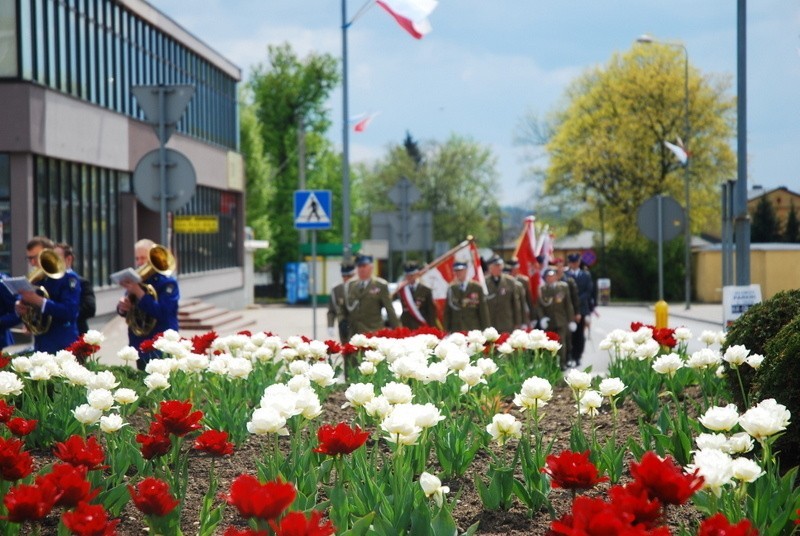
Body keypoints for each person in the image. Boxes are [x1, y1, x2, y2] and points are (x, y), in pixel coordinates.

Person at [116, 239, 180, 370]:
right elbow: (128, 307)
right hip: (139, 342)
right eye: (137, 258)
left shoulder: (168, 283)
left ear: (153, 258)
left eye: (143, 258)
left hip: (161, 344)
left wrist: (139, 293)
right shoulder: (136, 281)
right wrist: (123, 307)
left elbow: (163, 313)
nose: (139, 263)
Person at [15, 236, 81, 353]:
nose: (33, 263)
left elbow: (70, 311)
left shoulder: (68, 277)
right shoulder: (40, 278)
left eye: (35, 257)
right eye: (29, 258)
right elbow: (33, 307)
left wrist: (39, 301)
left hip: (62, 345)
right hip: (41, 343)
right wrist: (21, 306)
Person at [344, 254, 399, 337]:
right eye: (359, 266)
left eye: (364, 266)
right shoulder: (351, 285)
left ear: (371, 267)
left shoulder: (380, 285)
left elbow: (389, 310)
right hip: (354, 334)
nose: (361, 269)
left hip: (373, 333)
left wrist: (398, 331)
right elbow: (345, 308)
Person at [534, 267, 576, 370]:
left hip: (561, 320)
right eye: (548, 277)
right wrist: (542, 318)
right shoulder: (542, 289)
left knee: (562, 343)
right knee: (548, 344)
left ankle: (562, 363)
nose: (550, 278)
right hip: (549, 321)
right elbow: (539, 306)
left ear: (556, 277)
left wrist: (571, 320)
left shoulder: (563, 287)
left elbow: (568, 304)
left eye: (552, 276)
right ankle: (550, 365)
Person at [54, 242, 96, 335]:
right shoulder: (48, 283)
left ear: (68, 259)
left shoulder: (82, 282)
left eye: (57, 258)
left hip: (76, 334)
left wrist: (62, 312)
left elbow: (90, 308)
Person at [565, 253, 595, 367]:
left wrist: (577, 300)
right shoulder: (565, 275)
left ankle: (578, 356)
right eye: (571, 262)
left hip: (582, 308)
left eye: (575, 262)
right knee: (569, 334)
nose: (573, 264)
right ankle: (569, 356)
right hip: (568, 309)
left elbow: (589, 291)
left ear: (578, 262)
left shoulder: (586, 275)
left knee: (579, 334)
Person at [443, 261, 489, 332]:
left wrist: (486, 329)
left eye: (461, 270)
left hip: (473, 329)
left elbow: (483, 310)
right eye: (456, 271)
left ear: (466, 270)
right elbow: (448, 312)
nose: (458, 273)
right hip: (456, 329)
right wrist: (446, 330)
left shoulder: (476, 287)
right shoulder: (451, 288)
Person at [484, 256, 522, 333]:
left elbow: (515, 303)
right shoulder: (484, 282)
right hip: (490, 323)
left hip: (507, 322)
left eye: (500, 266)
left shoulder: (510, 281)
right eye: (496, 266)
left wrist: (518, 323)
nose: (499, 268)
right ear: (490, 268)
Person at [398, 261, 437, 329]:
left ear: (417, 274)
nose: (409, 277)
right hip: (407, 327)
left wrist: (432, 327)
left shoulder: (426, 290)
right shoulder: (402, 289)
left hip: (422, 326)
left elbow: (431, 312)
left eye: (412, 275)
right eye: (407, 275)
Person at [327, 262, 355, 342]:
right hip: (343, 326)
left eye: (349, 276)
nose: (346, 278)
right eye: (343, 276)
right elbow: (332, 310)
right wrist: (330, 325)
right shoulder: (336, 289)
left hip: (359, 326)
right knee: (346, 350)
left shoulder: (359, 287)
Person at [508, 258, 535, 327]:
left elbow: (528, 298)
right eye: (513, 268)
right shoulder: (506, 280)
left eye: (516, 268)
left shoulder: (523, 280)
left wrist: (532, 316)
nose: (515, 270)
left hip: (521, 310)